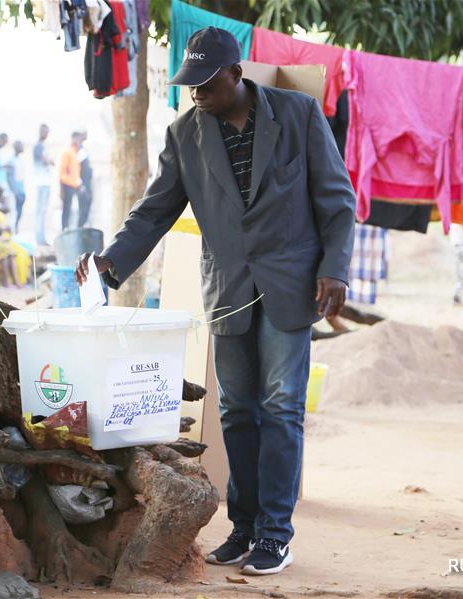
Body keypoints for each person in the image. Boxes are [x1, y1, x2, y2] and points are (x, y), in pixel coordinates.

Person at [74, 27, 355, 576]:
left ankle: (275, 533)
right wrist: (111, 261)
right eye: (188, 84)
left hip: (293, 284)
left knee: (281, 408)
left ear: (235, 75)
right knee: (235, 411)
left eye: (205, 83)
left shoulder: (298, 114)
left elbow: (336, 198)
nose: (195, 93)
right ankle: (244, 527)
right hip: (228, 289)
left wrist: (334, 269)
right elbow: (155, 211)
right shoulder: (184, 135)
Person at [32, 124, 54, 246]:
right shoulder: (38, 146)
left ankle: (41, 238)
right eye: (45, 132)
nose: (47, 135)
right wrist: (50, 160)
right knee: (40, 211)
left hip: (44, 183)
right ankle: (40, 239)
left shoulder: (42, 146)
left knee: (42, 211)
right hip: (42, 183)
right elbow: (47, 161)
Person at [59, 132, 84, 230]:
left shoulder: (75, 153)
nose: (79, 142)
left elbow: (75, 172)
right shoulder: (67, 152)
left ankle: (70, 228)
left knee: (72, 208)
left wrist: (78, 184)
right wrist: (64, 186)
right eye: (78, 139)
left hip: (74, 185)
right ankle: (64, 228)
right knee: (66, 208)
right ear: (73, 139)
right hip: (67, 185)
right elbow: (62, 173)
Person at [7, 140, 27, 231]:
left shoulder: (20, 160)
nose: (23, 147)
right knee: (14, 212)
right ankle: (12, 231)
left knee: (19, 212)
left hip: (21, 189)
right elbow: (10, 178)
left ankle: (16, 229)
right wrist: (15, 192)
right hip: (14, 191)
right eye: (21, 145)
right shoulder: (11, 160)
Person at [76, 131, 94, 228]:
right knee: (83, 207)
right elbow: (76, 168)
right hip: (82, 184)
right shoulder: (79, 150)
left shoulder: (83, 149)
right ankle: (80, 227)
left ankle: (83, 226)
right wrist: (80, 184)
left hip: (87, 182)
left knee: (88, 202)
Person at [450, 224, 463, 305]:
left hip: (456, 244)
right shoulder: (460, 216)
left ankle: (457, 296)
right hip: (461, 245)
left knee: (460, 272)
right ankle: (457, 297)